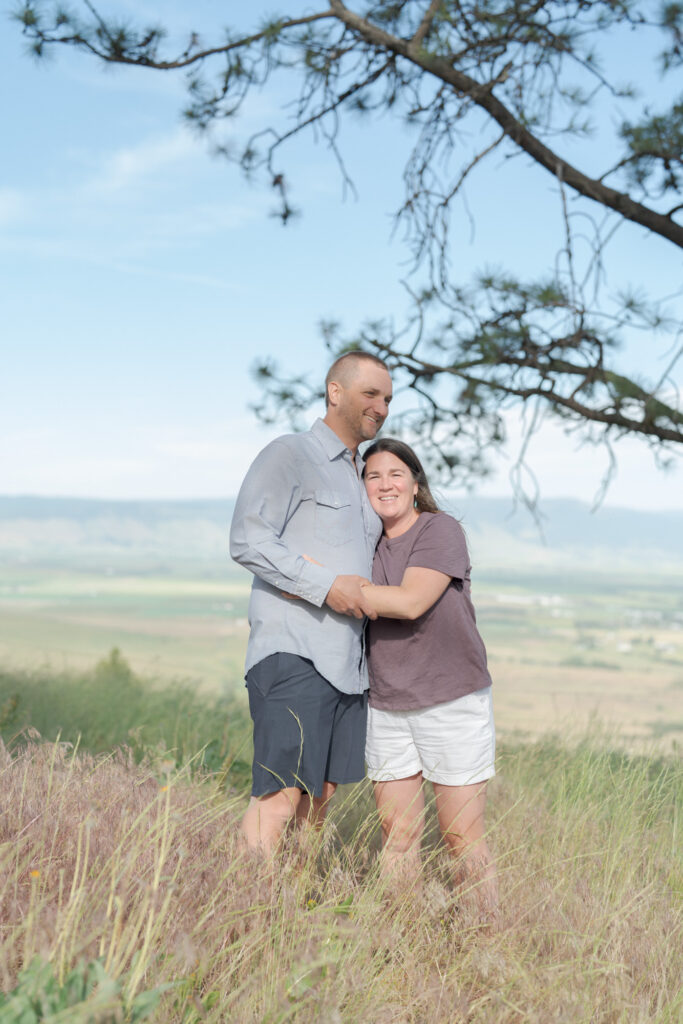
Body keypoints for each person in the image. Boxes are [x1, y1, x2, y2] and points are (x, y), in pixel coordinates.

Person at [229, 351, 393, 853]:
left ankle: (289, 921)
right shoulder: (289, 454)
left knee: (317, 802)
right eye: (371, 394)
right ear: (335, 392)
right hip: (295, 652)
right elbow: (248, 540)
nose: (382, 407)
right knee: (280, 795)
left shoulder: (363, 476)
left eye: (387, 398)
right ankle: (246, 915)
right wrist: (327, 586)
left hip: (348, 666)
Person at [358, 437, 497, 910]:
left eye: (396, 473)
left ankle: (487, 947)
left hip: (451, 701)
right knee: (397, 837)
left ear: (416, 483)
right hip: (387, 704)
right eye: (372, 476)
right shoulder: (364, 545)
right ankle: (402, 947)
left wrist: (340, 589)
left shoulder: (440, 530)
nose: (385, 484)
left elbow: (411, 602)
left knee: (462, 837)